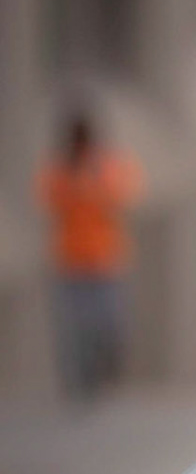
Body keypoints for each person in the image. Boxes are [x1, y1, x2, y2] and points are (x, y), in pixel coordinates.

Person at [37, 110, 143, 400]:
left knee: (108, 322)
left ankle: (106, 369)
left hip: (105, 259)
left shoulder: (105, 164)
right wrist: (75, 184)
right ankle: (81, 380)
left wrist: (93, 183)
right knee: (75, 326)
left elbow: (124, 195)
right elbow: (49, 199)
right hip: (71, 260)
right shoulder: (60, 168)